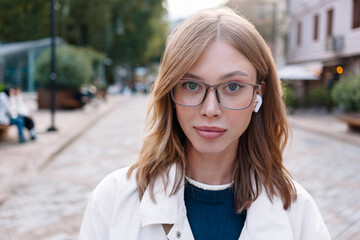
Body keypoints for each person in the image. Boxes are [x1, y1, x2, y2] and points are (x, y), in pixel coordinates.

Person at [79, 7, 331, 240]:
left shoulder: (298, 212)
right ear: (171, 93)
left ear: (258, 94)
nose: (210, 109)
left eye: (233, 86)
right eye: (191, 85)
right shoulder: (113, 200)